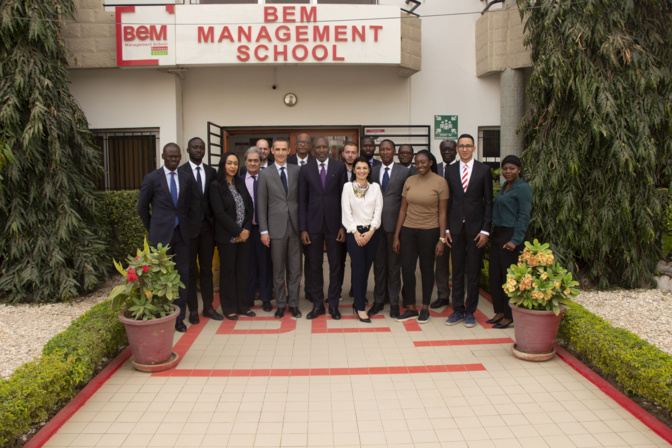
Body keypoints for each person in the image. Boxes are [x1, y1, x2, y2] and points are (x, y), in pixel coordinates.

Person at [138, 143, 200, 332]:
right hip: (160, 237)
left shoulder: (186, 178)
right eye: (170, 156)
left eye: (176, 157)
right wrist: (154, 229)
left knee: (182, 276)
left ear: (180, 157)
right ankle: (162, 315)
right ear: (163, 156)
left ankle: (179, 318)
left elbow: (189, 205)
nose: (173, 159)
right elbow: (142, 208)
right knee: (160, 277)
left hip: (182, 235)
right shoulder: (152, 178)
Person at [392, 150, 448, 323]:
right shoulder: (410, 181)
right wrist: (396, 235)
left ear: (431, 162)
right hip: (408, 230)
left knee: (426, 269)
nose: (420, 165)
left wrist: (441, 239)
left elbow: (443, 213)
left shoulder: (440, 182)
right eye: (417, 163)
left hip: (430, 231)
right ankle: (411, 308)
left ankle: (425, 307)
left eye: (423, 162)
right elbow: (403, 209)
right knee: (407, 268)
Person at [444, 134, 493, 328]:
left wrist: (485, 230)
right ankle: (457, 310)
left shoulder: (484, 170)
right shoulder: (451, 170)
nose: (464, 149)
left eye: (468, 146)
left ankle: (470, 311)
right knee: (456, 271)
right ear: (457, 149)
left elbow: (488, 201)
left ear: (474, 148)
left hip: (475, 229)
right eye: (461, 146)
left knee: (472, 272)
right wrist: (447, 227)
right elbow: (448, 201)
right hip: (455, 228)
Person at [299, 137, 347, 320]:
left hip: (335, 226)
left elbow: (344, 199)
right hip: (313, 226)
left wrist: (343, 226)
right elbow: (302, 200)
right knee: (315, 266)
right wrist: (303, 228)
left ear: (329, 148)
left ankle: (333, 304)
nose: (321, 149)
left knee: (335, 266)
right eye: (317, 147)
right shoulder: (306, 169)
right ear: (313, 149)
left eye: (324, 146)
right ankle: (318, 304)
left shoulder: (339, 167)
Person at [178, 137, 224, 324]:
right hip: (188, 230)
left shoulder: (210, 172)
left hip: (207, 229)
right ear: (188, 150)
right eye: (194, 147)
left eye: (201, 147)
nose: (198, 150)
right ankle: (193, 310)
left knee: (207, 270)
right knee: (189, 271)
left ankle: (208, 307)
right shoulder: (181, 172)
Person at [257, 138, 302, 319]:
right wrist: (264, 231)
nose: (281, 153)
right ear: (272, 151)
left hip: (295, 227)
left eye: (284, 149)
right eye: (278, 149)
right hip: (275, 229)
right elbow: (261, 204)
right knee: (278, 270)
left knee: (295, 269)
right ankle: (281, 304)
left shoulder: (297, 170)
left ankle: (294, 304)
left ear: (289, 150)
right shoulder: (265, 174)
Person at [488, 155, 532, 329]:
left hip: (513, 236)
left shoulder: (523, 188)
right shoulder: (506, 186)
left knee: (509, 278)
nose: (507, 172)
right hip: (499, 234)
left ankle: (509, 315)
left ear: (519, 169)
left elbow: (524, 215)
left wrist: (515, 240)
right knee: (495, 275)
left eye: (512, 168)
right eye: (505, 168)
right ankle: (499, 311)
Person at [210, 152, 255, 321]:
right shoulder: (215, 186)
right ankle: (228, 307)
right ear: (223, 165)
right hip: (227, 237)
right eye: (229, 163)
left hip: (244, 237)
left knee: (242, 272)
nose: (233, 166)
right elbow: (219, 214)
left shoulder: (240, 183)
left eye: (235, 163)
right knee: (228, 273)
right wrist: (238, 231)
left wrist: (246, 231)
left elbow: (249, 207)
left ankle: (242, 306)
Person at [370, 139, 411, 318]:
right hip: (376, 226)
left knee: (394, 267)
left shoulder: (404, 171)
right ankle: (379, 301)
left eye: (388, 149)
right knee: (378, 266)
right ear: (379, 152)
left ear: (394, 152)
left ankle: (394, 303)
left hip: (395, 227)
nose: (385, 152)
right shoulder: (373, 171)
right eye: (382, 150)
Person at [342, 156, 383, 323]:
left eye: (365, 168)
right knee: (358, 269)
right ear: (354, 170)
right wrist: (355, 233)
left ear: (369, 170)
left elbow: (378, 211)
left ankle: (359, 301)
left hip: (372, 233)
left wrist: (371, 231)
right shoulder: (348, 187)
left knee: (366, 270)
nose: (361, 171)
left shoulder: (375, 188)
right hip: (354, 234)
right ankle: (360, 307)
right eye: (358, 168)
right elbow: (346, 212)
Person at [242, 146, 274, 313]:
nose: (253, 163)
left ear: (261, 162)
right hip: (246, 231)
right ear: (245, 162)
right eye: (250, 160)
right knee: (248, 266)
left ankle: (266, 298)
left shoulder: (267, 178)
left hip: (264, 229)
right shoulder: (239, 180)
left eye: (256, 160)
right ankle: (248, 298)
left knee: (265, 265)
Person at [431, 139, 458, 309]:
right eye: (444, 149)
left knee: (458, 262)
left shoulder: (460, 169)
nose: (447, 152)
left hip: (457, 223)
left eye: (450, 149)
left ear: (455, 151)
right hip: (437, 222)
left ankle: (458, 296)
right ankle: (442, 295)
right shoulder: (436, 169)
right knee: (440, 262)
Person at [288, 133, 314, 304]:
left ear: (310, 145)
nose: (303, 144)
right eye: (300, 142)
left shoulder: (315, 162)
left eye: (306, 142)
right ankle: (293, 293)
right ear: (295, 144)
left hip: (311, 217)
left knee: (311, 258)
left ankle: (311, 291)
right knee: (293, 260)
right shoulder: (287, 161)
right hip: (289, 217)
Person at [339, 141, 359, 299]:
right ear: (343, 154)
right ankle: (337, 291)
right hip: (339, 224)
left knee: (357, 261)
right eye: (348, 152)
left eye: (353, 152)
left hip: (358, 224)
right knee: (338, 261)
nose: (350, 155)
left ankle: (355, 289)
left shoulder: (362, 172)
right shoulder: (336, 170)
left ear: (357, 154)